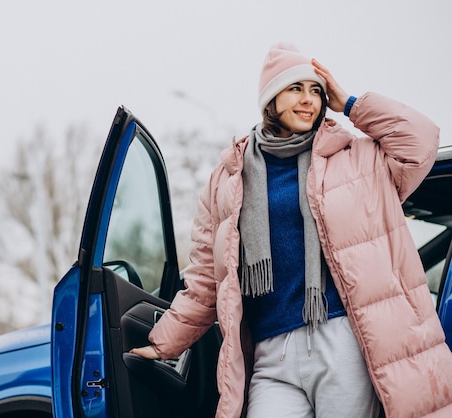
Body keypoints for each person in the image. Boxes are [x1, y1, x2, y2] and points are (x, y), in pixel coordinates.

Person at [130, 43, 452, 418]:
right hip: (270, 351)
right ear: (270, 99)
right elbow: (205, 278)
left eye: (315, 91)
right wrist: (164, 344)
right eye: (295, 88)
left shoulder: (358, 160)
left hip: (341, 342)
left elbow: (420, 140)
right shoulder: (228, 179)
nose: (309, 100)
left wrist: (347, 101)